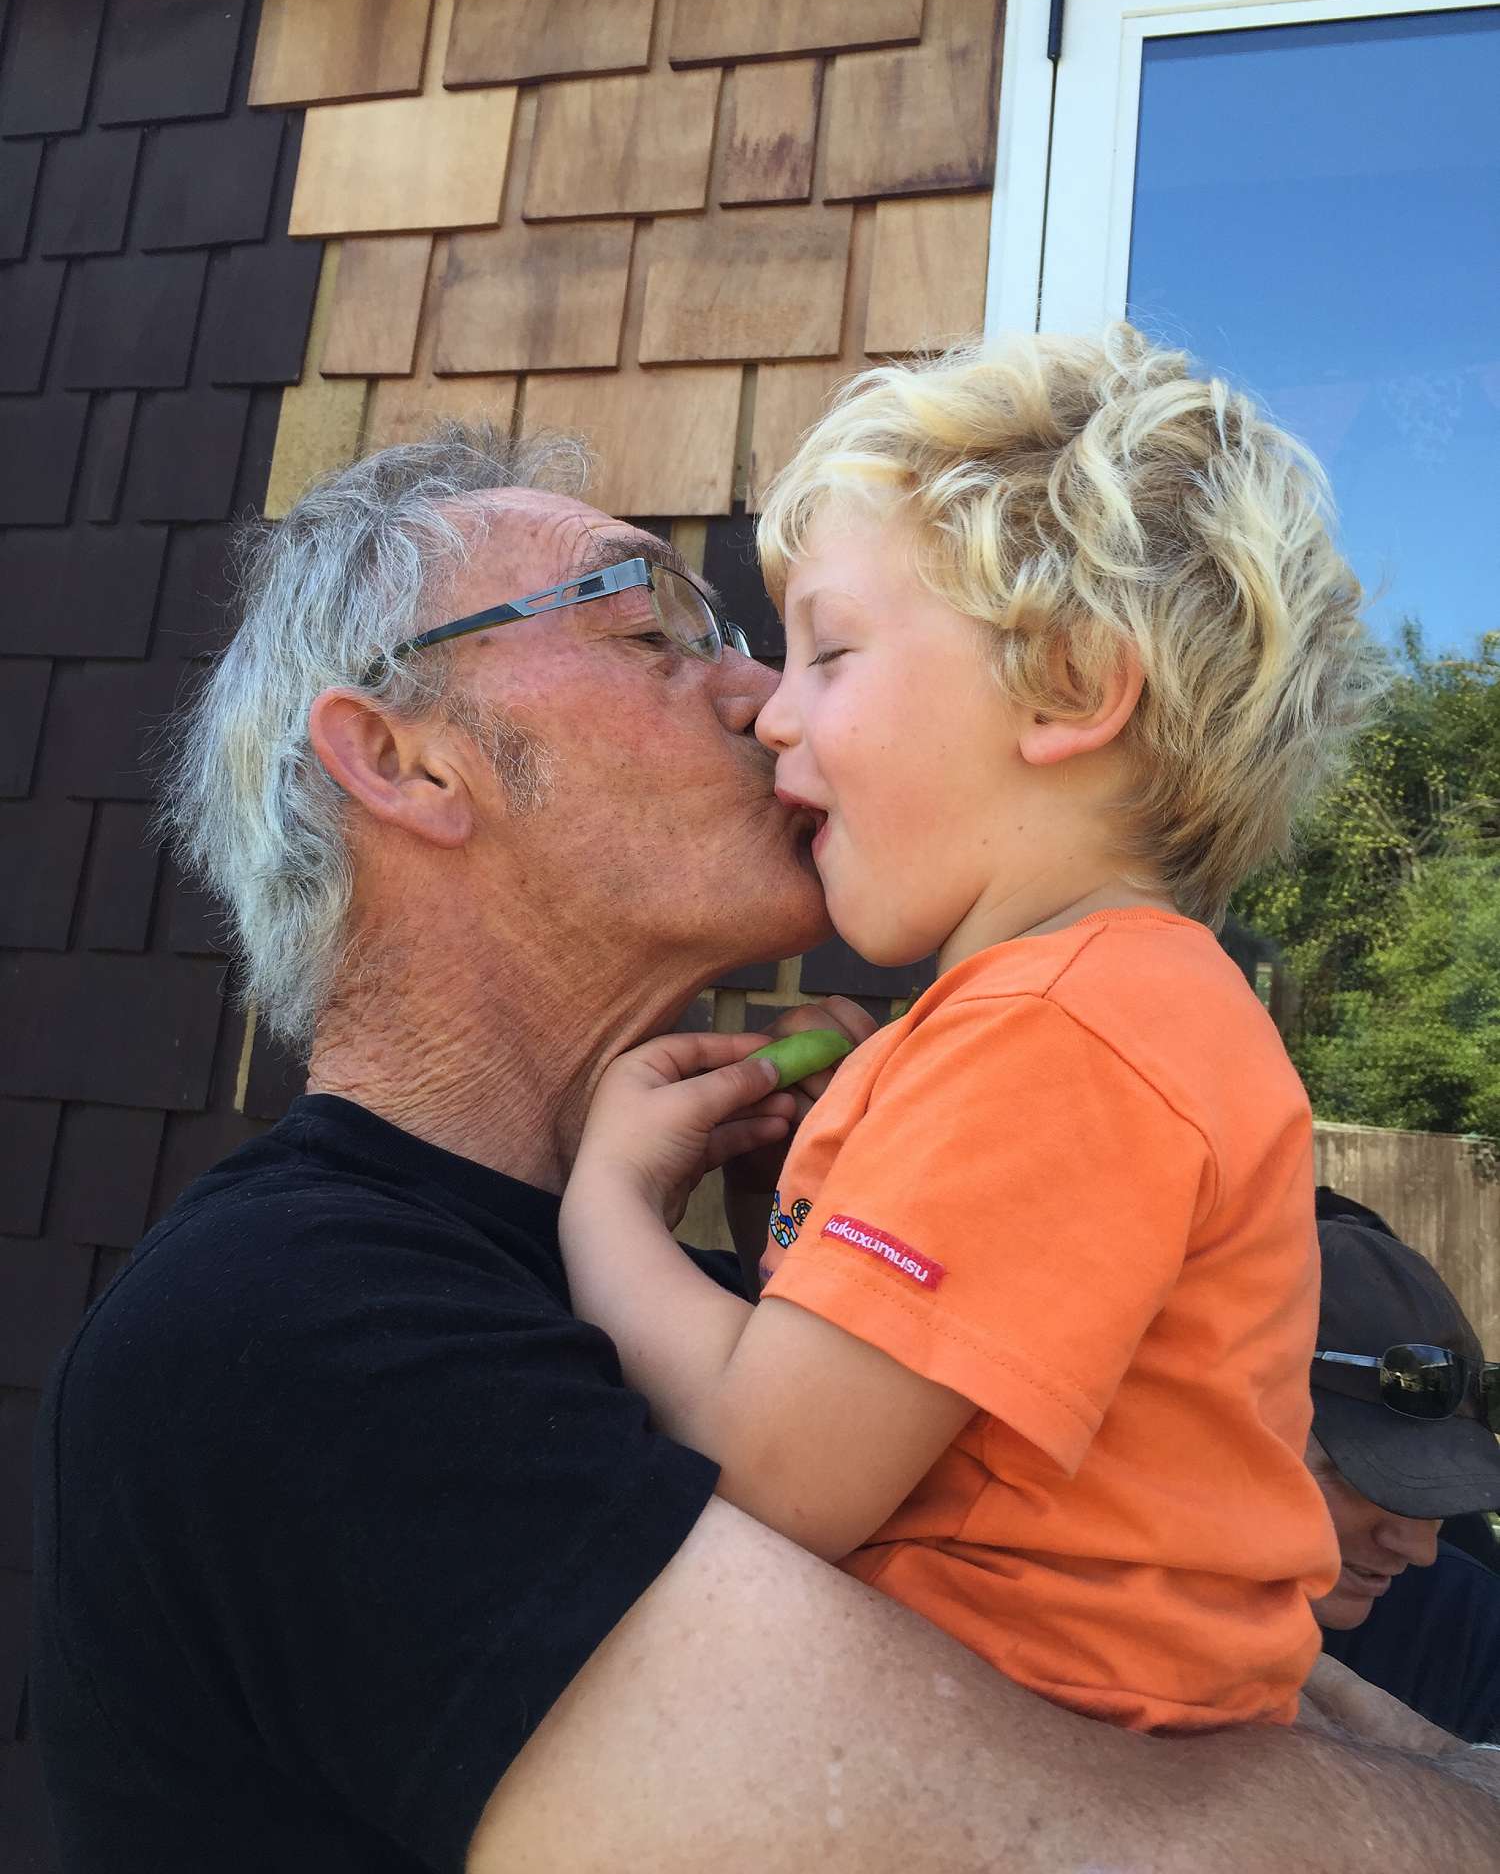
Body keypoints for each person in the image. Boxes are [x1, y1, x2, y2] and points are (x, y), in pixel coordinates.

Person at [29, 429, 1499, 1873]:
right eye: (650, 632)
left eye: (812, 652)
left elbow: (1152, 1600)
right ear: (406, 762)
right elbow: (1076, 1840)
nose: (762, 697)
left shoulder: (676, 1266)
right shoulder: (282, 1329)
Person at [560, 329, 1365, 1732]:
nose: (774, 715)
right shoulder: (1127, 1007)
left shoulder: (1056, 1030)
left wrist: (608, 1200)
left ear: (1069, 685)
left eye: (830, 651)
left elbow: (774, 1471)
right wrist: (797, 1228)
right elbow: (935, 1419)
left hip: (997, 1752)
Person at [1308, 1192, 1500, 1744]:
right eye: (1359, 1478)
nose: (1419, 1549)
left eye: (1442, 1495)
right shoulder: (1089, 1610)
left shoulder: (1462, 1623)